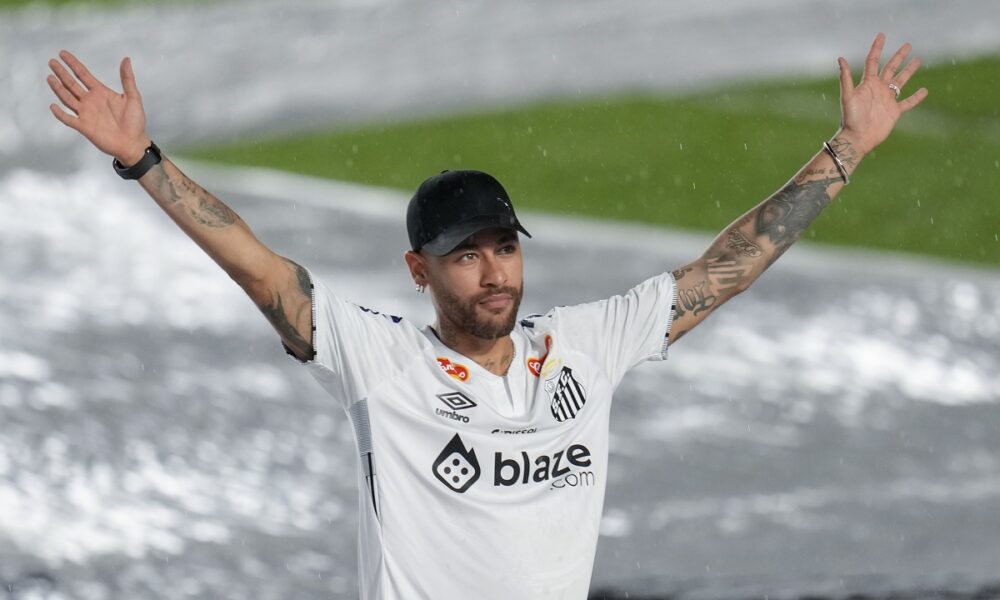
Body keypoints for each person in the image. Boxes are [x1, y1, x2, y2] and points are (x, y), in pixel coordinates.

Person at [46, 33, 926, 599]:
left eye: (504, 247)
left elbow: (725, 268)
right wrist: (145, 162)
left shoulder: (583, 346)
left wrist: (846, 149)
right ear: (419, 270)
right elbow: (258, 268)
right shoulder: (382, 362)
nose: (494, 272)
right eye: (466, 255)